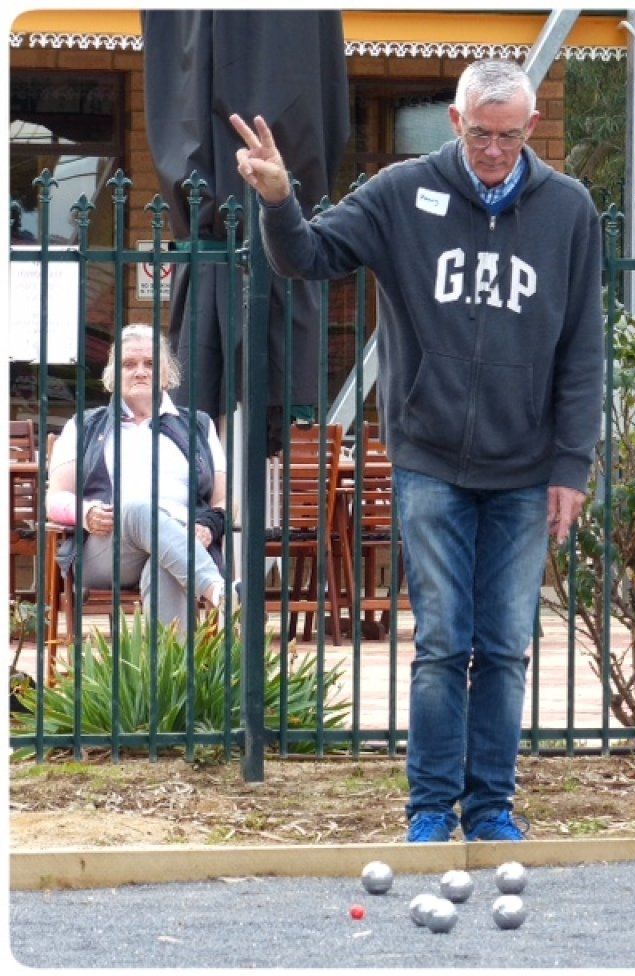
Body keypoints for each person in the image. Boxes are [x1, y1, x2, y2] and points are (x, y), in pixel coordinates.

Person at [231, 59, 603, 842]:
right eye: (479, 134)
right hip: (431, 458)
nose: (493, 151)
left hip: (528, 468)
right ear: (454, 123)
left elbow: (582, 349)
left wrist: (573, 463)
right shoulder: (403, 194)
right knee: (441, 643)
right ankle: (431, 808)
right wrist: (277, 199)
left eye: (507, 136)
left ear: (531, 129)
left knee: (504, 647)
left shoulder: (568, 211)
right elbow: (308, 257)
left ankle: (492, 807)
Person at [47, 324, 229, 630]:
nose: (140, 372)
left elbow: (224, 500)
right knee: (139, 508)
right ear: (113, 373)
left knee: (165, 562)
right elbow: (55, 498)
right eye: (129, 364)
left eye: (150, 364)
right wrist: (86, 512)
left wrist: (208, 526)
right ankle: (218, 591)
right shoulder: (85, 425)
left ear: (166, 373)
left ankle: (173, 675)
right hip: (108, 549)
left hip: (181, 543)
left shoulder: (199, 425)